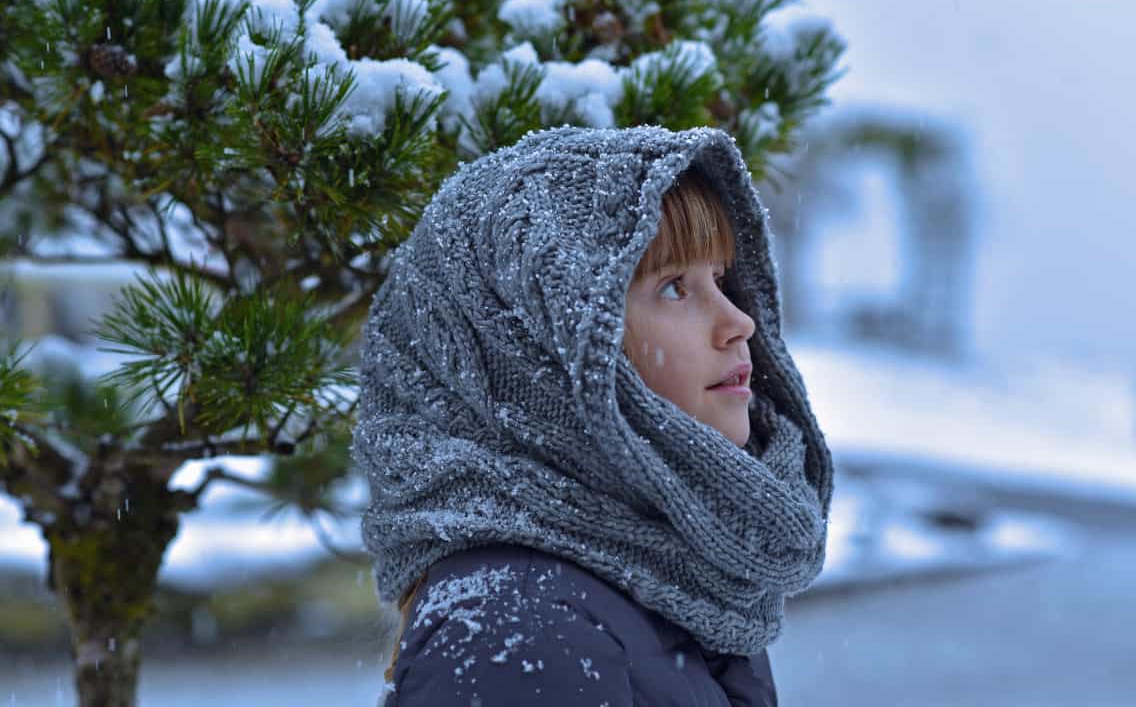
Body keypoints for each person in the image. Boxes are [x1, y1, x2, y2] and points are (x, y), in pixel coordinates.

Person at [352, 126, 833, 706]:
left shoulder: (677, 576)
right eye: (676, 287)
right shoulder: (522, 629)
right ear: (543, 355)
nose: (739, 322)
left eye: (722, 279)